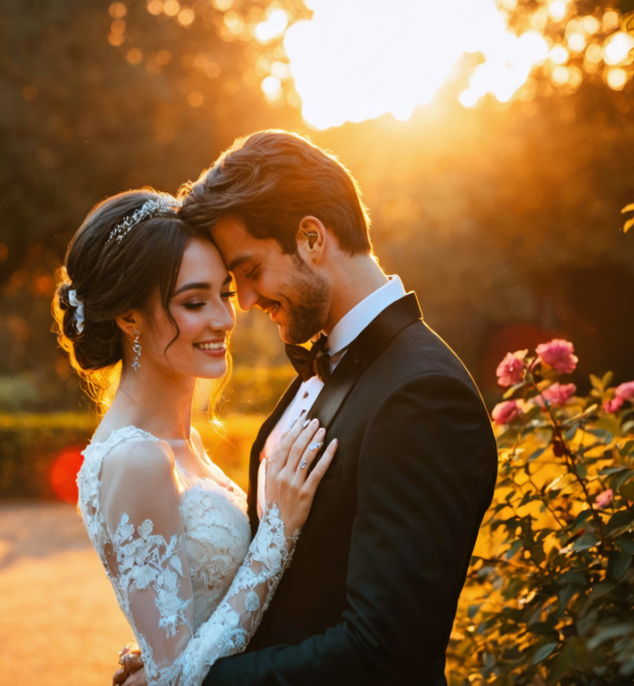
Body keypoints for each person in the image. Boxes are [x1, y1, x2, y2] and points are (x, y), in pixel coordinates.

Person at [117, 130, 498, 685]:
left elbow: (381, 649)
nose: (243, 302)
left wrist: (196, 684)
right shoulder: (319, 372)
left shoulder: (423, 398)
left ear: (312, 238)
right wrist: (180, 658)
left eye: (249, 272)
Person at [56, 188, 338, 686]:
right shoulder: (136, 458)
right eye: (194, 302)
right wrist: (279, 530)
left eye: (224, 294)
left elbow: (178, 645)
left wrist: (157, 657)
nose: (224, 319)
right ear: (128, 317)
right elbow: (178, 679)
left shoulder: (186, 447)